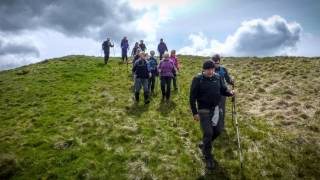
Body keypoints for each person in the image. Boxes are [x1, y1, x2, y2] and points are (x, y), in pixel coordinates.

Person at [189, 60, 234, 170]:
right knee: (208, 132)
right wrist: (195, 112)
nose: (210, 71)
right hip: (203, 110)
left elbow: (223, 89)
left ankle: (205, 143)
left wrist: (230, 93)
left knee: (218, 130)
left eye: (212, 69)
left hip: (216, 109)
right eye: (208, 69)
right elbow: (192, 97)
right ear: (203, 69)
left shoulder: (218, 77)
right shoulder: (197, 79)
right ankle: (207, 156)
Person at [212, 54, 234, 124]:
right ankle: (214, 122)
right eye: (214, 63)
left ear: (219, 62)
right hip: (213, 92)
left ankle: (221, 124)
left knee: (222, 108)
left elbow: (227, 79)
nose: (216, 65)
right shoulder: (210, 69)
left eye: (217, 63)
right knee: (214, 108)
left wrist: (231, 81)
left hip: (223, 92)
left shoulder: (223, 69)